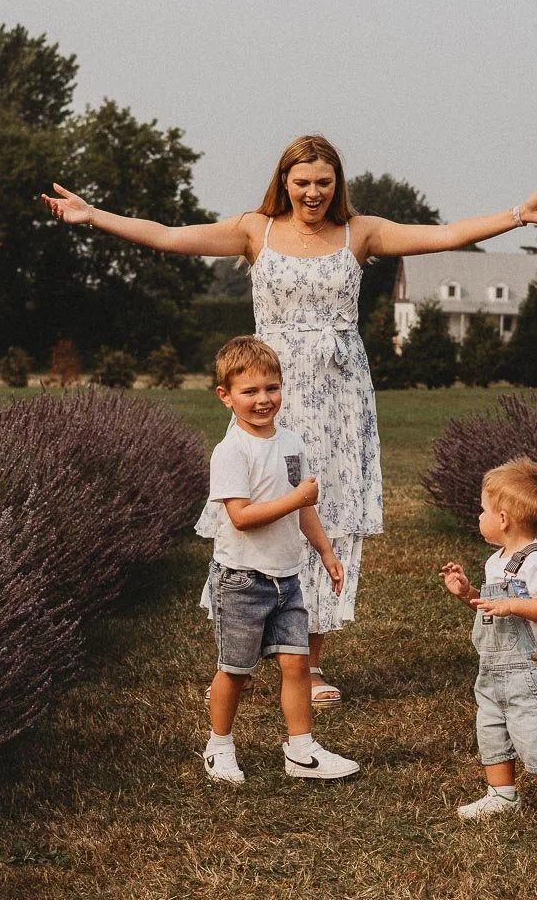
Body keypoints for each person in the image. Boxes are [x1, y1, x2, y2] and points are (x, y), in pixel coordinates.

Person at [43, 135, 537, 706]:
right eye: (302, 182)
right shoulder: (257, 229)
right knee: (255, 507)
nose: (313, 192)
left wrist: (519, 215)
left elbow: (447, 235)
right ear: (285, 181)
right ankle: (239, 658)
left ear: (337, 184)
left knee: (328, 513)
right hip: (269, 389)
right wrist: (92, 216)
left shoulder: (362, 231)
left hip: (340, 396)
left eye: (323, 182)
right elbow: (172, 237)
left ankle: (310, 664)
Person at [196, 335, 359, 783]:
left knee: (295, 663)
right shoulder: (231, 452)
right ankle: (219, 746)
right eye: (249, 391)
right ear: (225, 397)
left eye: (272, 388)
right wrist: (297, 499)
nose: (263, 399)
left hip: (287, 579)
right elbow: (243, 517)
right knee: (235, 669)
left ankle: (302, 750)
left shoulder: (290, 441)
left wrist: (325, 551)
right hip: (241, 581)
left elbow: (304, 507)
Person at [438, 457, 537, 824]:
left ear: (503, 519)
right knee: (492, 730)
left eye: (482, 510)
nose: (478, 516)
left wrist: (513, 604)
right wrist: (467, 593)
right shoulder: (495, 562)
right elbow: (489, 608)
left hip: (532, 674)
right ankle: (501, 794)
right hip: (494, 670)